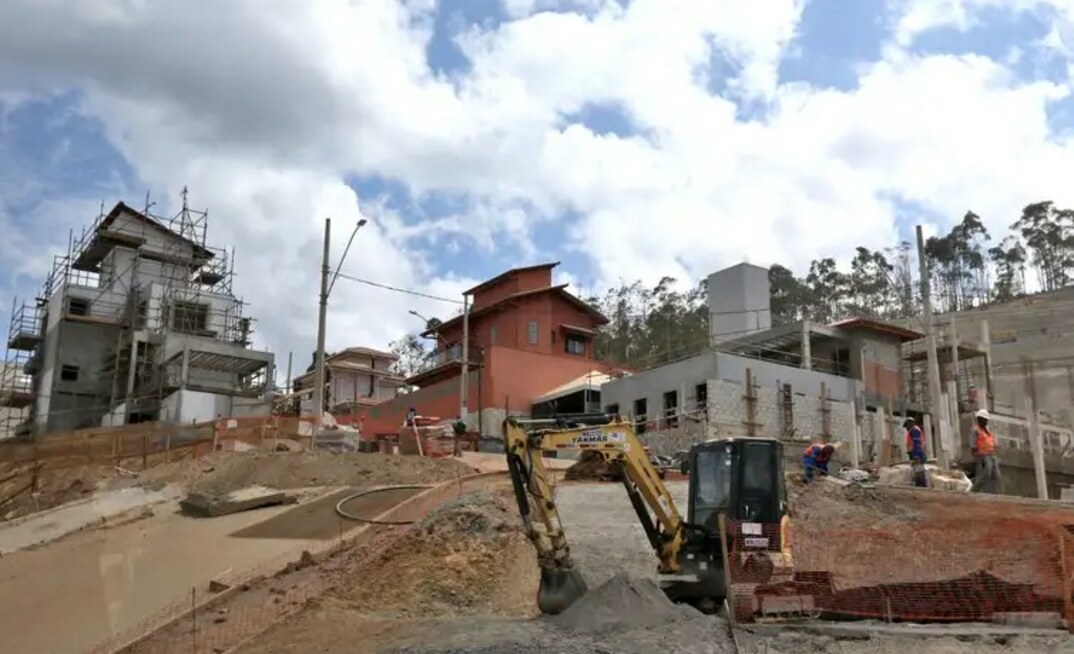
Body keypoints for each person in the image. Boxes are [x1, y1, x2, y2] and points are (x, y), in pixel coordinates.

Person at [971, 408, 1001, 493]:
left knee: (996, 475)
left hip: (991, 454)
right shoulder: (976, 430)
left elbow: (992, 442)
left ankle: (993, 493)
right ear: (979, 419)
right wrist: (976, 454)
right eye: (985, 419)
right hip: (983, 454)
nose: (986, 421)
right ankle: (973, 490)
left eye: (987, 420)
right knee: (986, 473)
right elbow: (973, 443)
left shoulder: (987, 431)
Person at [904, 417, 928, 488]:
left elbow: (916, 443)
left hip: (917, 454)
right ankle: (920, 485)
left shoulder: (914, 430)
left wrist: (916, 456)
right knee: (917, 471)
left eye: (907, 425)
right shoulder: (913, 430)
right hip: (915, 453)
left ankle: (921, 486)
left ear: (910, 424)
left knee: (919, 471)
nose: (906, 428)